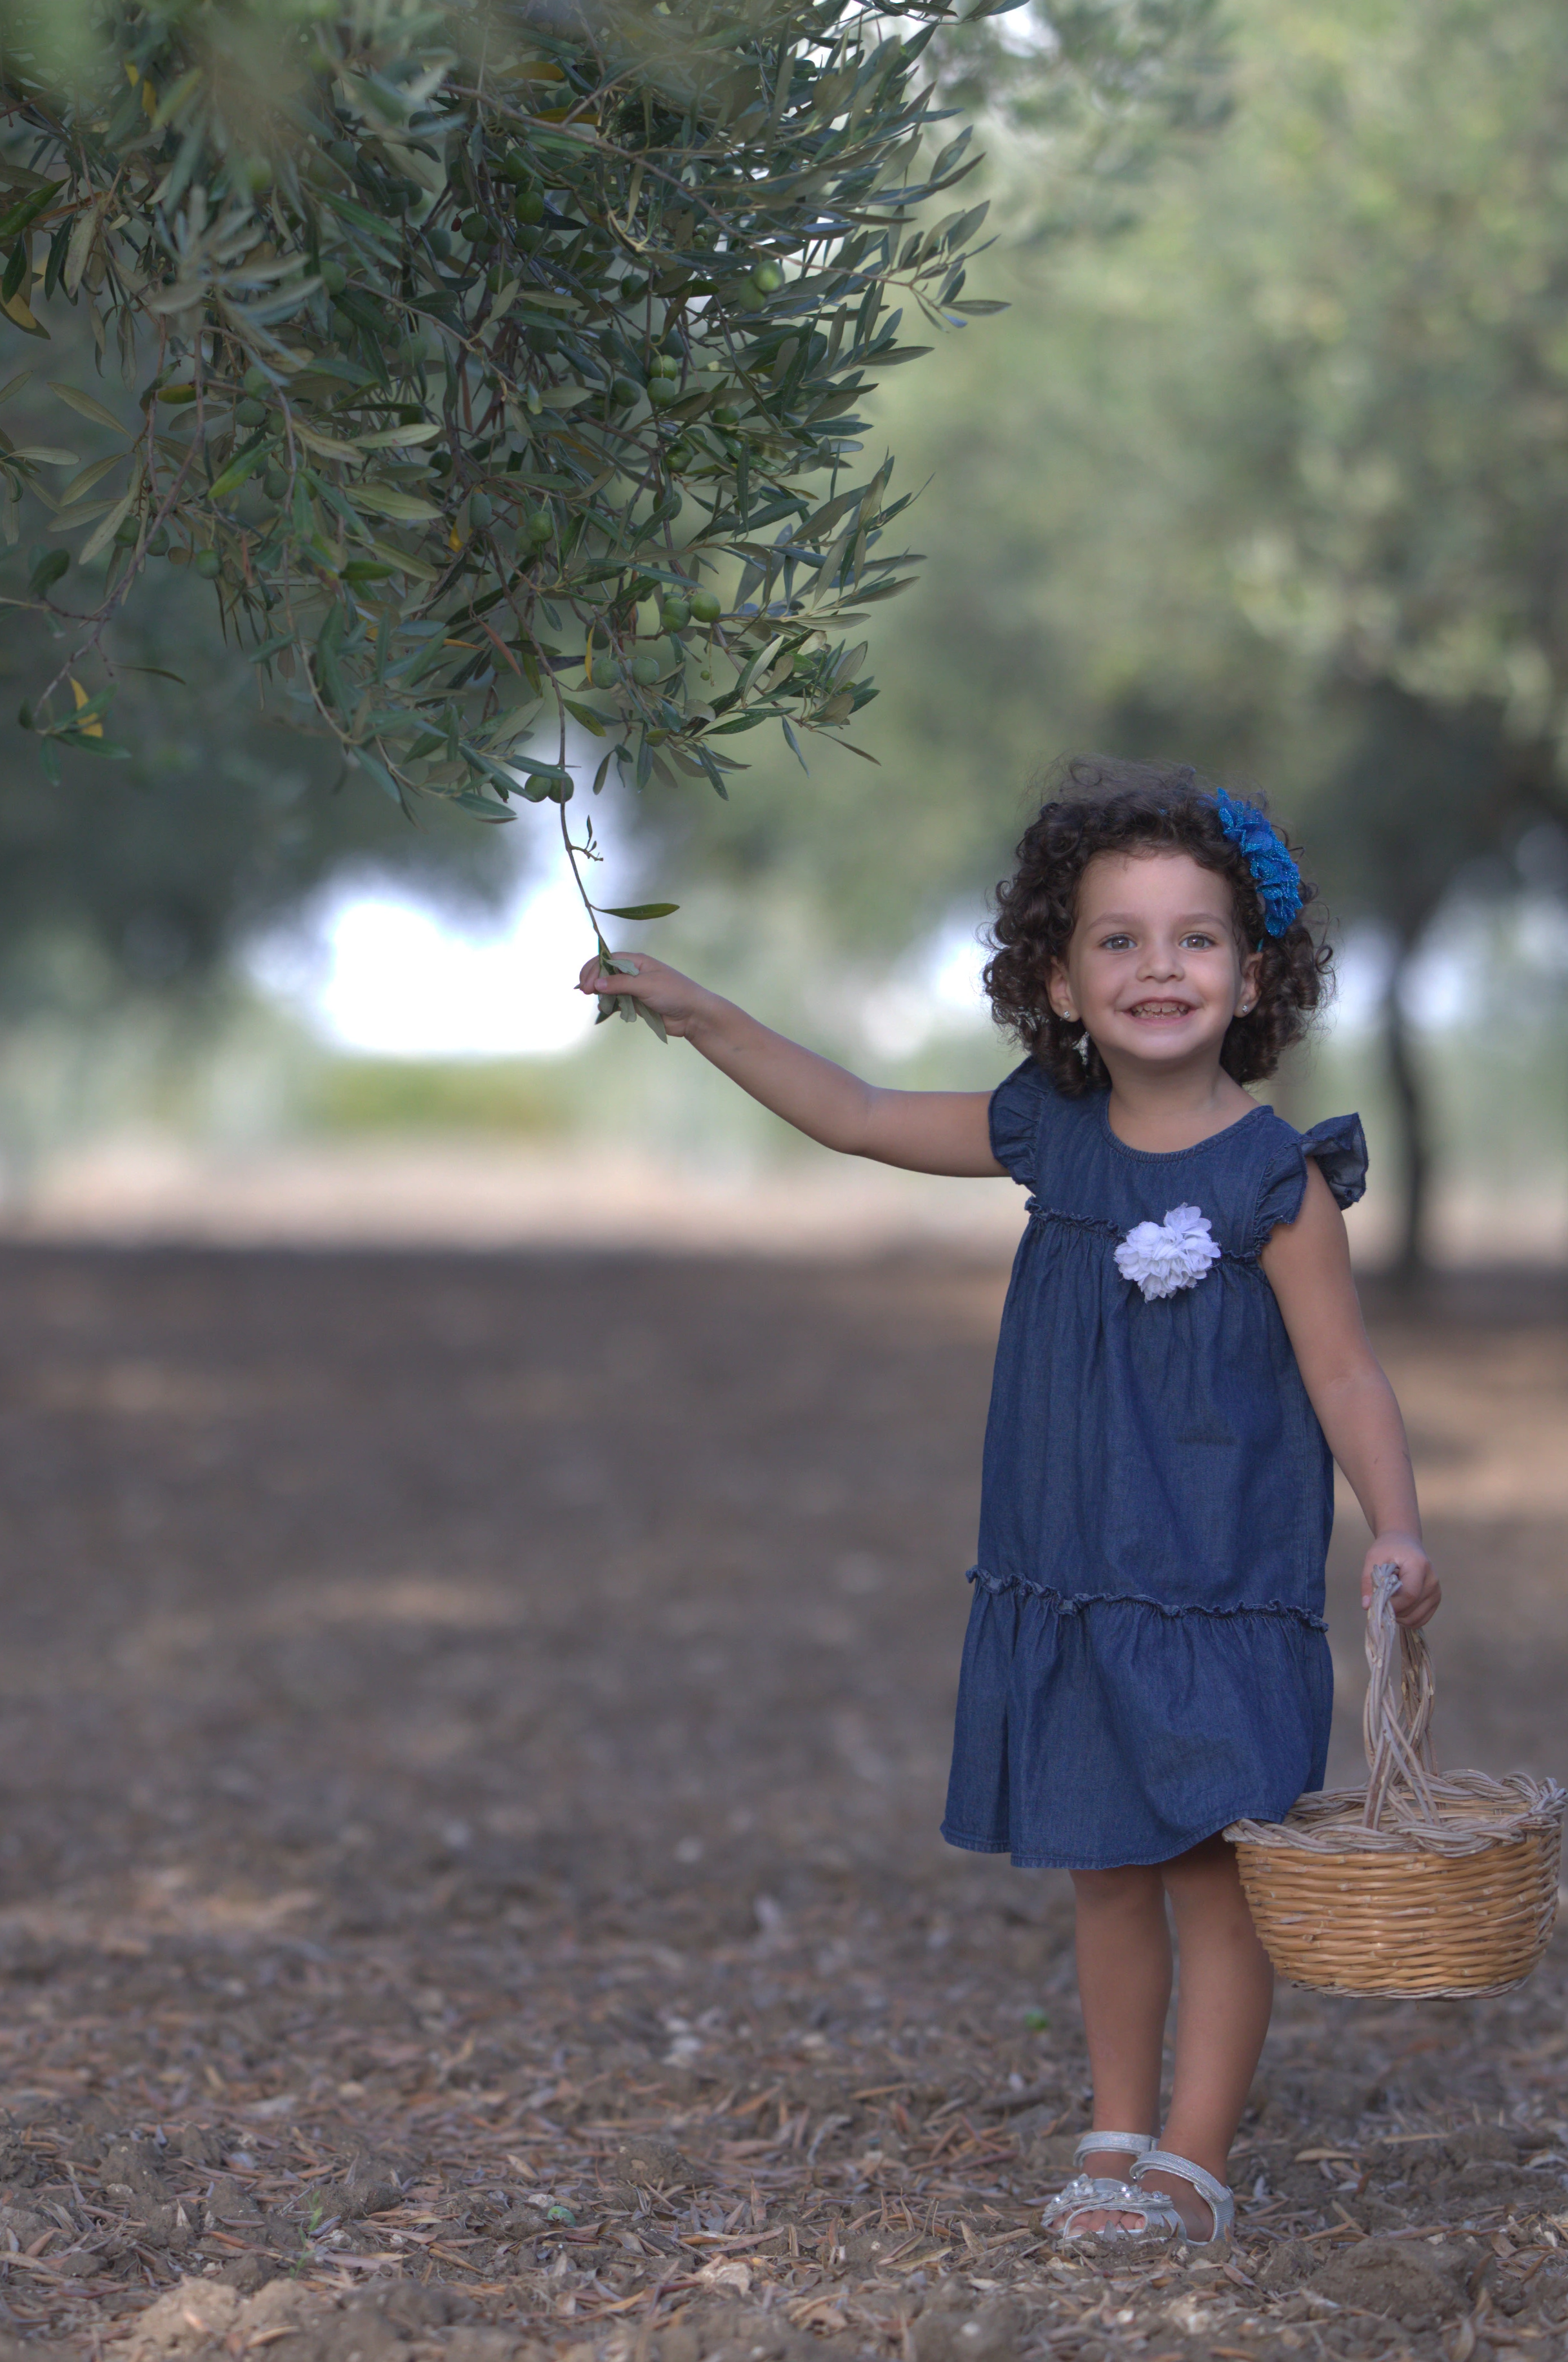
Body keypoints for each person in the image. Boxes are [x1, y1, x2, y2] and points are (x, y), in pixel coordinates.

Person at [577, 757, 1436, 2251]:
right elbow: (847, 1110)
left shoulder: (1275, 1182)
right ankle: (1114, 2122)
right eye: (1115, 938)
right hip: (1069, 1572)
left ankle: (1192, 2151)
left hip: (1216, 1579)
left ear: (1251, 976)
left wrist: (1399, 1524)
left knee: (1215, 1870)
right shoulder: (1046, 1131)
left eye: (1192, 938)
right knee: (1102, 1859)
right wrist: (700, 1011)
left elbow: (1346, 1375)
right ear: (1056, 975)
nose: (1154, 967)